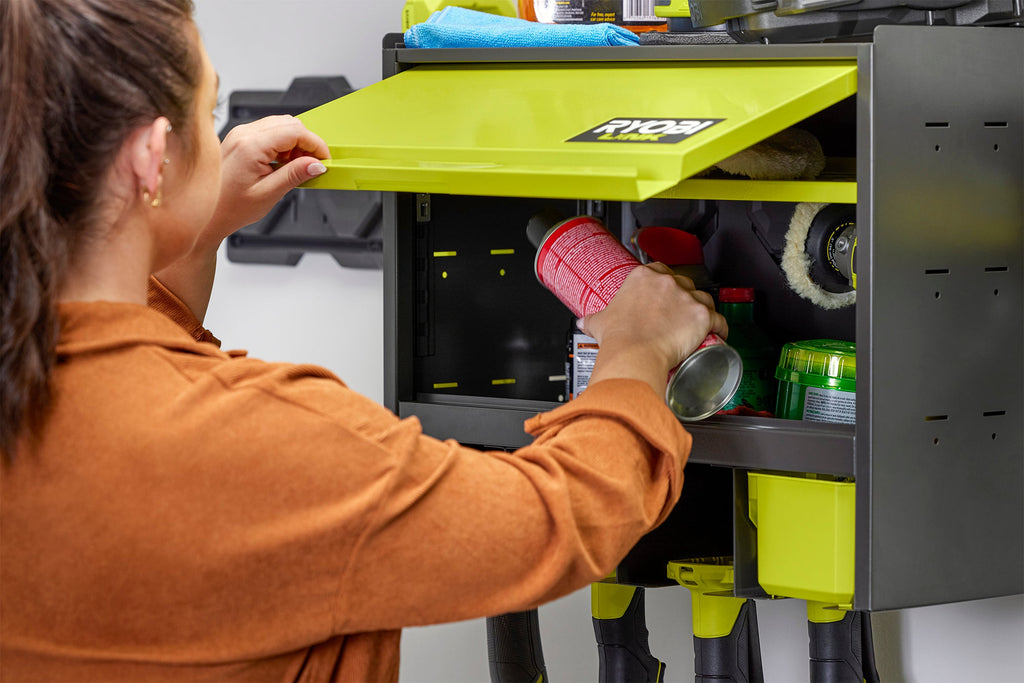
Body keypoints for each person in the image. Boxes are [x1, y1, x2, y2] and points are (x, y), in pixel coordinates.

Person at [0, 1, 727, 681]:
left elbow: (123, 363)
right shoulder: (266, 444)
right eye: (209, 113)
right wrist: (637, 346)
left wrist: (195, 223)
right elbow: (558, 518)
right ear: (151, 160)